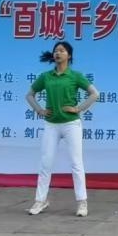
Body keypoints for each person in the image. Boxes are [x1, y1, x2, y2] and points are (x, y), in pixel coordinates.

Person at [25, 41, 98, 216]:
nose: (58, 53)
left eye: (62, 51)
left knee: (76, 164)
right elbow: (29, 95)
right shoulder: (46, 76)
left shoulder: (75, 76)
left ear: (69, 56)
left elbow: (95, 94)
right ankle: (40, 201)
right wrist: (40, 110)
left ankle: (82, 203)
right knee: (45, 164)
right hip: (51, 125)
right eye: (56, 51)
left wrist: (78, 108)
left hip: (71, 124)